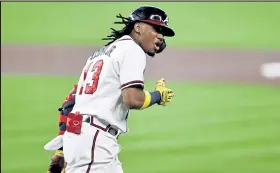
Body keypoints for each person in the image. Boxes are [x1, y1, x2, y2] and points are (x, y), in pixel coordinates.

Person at [44, 5, 175, 173]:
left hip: (82, 138)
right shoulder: (132, 50)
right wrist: (158, 96)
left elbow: (71, 102)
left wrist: (62, 149)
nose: (160, 36)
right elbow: (132, 99)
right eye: (156, 29)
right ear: (138, 27)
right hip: (94, 143)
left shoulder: (99, 54)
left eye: (163, 33)